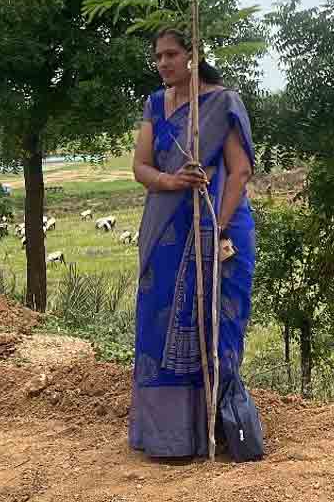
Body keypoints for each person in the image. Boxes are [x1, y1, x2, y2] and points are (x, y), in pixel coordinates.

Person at [129, 29, 258, 459]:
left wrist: (213, 229)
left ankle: (217, 430)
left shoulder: (222, 103)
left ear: (192, 56)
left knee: (214, 324)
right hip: (164, 230)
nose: (163, 63)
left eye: (171, 54)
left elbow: (239, 172)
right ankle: (168, 438)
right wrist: (172, 182)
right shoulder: (154, 104)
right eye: (158, 56)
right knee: (157, 327)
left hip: (214, 226)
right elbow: (140, 167)